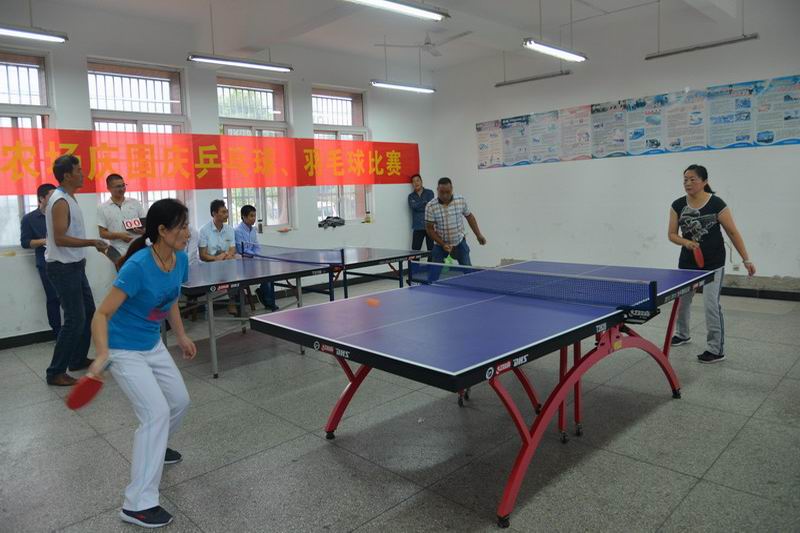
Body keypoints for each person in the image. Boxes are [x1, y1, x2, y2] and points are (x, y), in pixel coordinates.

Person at [87, 199, 196, 529]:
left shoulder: (179, 259)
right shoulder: (136, 267)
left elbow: (171, 299)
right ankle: (137, 504)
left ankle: (156, 445)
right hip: (123, 347)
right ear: (162, 230)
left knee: (179, 401)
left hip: (152, 342)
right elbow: (101, 314)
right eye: (182, 226)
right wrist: (102, 355)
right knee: (155, 413)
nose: (188, 232)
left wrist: (181, 336)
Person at [668, 164, 755, 364]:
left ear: (704, 181)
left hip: (713, 262)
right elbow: (672, 234)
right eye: (685, 179)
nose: (688, 183)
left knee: (711, 305)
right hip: (687, 262)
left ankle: (715, 349)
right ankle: (682, 334)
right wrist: (686, 242)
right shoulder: (677, 205)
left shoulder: (716, 204)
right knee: (682, 302)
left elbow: (732, 232)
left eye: (693, 179)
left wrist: (746, 259)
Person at [44, 155, 108, 386]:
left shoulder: (69, 197)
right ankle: (55, 372)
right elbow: (60, 238)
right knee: (74, 319)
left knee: (89, 313)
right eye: (78, 170)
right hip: (63, 268)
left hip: (75, 266)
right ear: (67, 175)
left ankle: (77, 359)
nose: (83, 174)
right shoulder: (60, 200)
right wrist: (91, 242)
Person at [20, 183, 61, 338]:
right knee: (53, 297)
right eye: (51, 196)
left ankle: (74, 332)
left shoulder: (60, 213)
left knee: (71, 297)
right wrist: (45, 241)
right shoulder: (29, 219)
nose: (56, 199)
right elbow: (25, 243)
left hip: (66, 260)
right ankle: (57, 333)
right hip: (46, 263)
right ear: (41, 198)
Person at [425, 177, 487, 266]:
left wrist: (478, 235)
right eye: (442, 192)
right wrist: (443, 244)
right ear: (437, 190)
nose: (445, 195)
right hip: (440, 245)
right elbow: (429, 229)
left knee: (468, 269)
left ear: (452, 189)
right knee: (435, 271)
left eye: (448, 192)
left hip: (459, 242)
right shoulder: (430, 206)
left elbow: (469, 217)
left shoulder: (460, 200)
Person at [235, 205, 278, 311]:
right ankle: (267, 300)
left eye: (254, 216)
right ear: (244, 217)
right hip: (242, 263)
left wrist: (257, 255)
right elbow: (241, 249)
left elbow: (256, 246)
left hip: (254, 260)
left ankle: (268, 299)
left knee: (269, 272)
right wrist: (254, 255)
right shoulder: (238, 231)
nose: (254, 218)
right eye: (251, 216)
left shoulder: (253, 230)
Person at [198, 200, 237, 314]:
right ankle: (208, 306)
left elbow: (232, 249)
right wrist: (216, 259)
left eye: (227, 211)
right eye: (223, 212)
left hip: (226, 263)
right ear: (214, 213)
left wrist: (227, 255)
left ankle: (232, 302)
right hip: (209, 265)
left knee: (235, 271)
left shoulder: (230, 229)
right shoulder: (204, 231)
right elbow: (202, 255)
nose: (227, 214)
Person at [97, 173, 146, 258]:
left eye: (123, 185)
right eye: (118, 186)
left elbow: (145, 225)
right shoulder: (102, 208)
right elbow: (102, 233)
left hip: (138, 248)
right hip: (117, 251)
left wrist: (142, 231)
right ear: (109, 188)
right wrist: (119, 235)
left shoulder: (135, 203)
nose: (122, 189)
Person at [407, 174, 434, 252]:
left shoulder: (429, 193)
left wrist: (418, 206)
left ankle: (431, 261)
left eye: (417, 180)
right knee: (414, 252)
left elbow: (430, 207)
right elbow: (413, 207)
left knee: (431, 251)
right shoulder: (411, 196)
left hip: (429, 226)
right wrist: (424, 203)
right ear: (412, 184)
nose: (416, 183)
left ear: (421, 181)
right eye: (414, 182)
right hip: (418, 227)